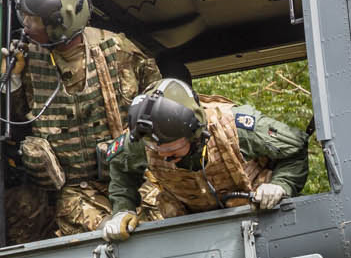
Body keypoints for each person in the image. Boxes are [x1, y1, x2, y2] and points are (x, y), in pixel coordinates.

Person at [1, 0, 162, 241]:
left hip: (131, 178)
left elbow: (159, 103)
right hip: (74, 192)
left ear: (60, 23)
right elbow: (18, 121)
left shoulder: (119, 50)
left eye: (34, 20)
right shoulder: (27, 59)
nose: (26, 25)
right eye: (25, 16)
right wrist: (13, 78)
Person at [100, 79, 310, 241]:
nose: (163, 156)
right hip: (193, 231)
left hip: (260, 221)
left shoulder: (234, 128)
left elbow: (297, 146)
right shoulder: (143, 138)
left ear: (194, 132)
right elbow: (121, 167)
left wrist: (281, 185)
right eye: (156, 150)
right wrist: (123, 209)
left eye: (172, 149)